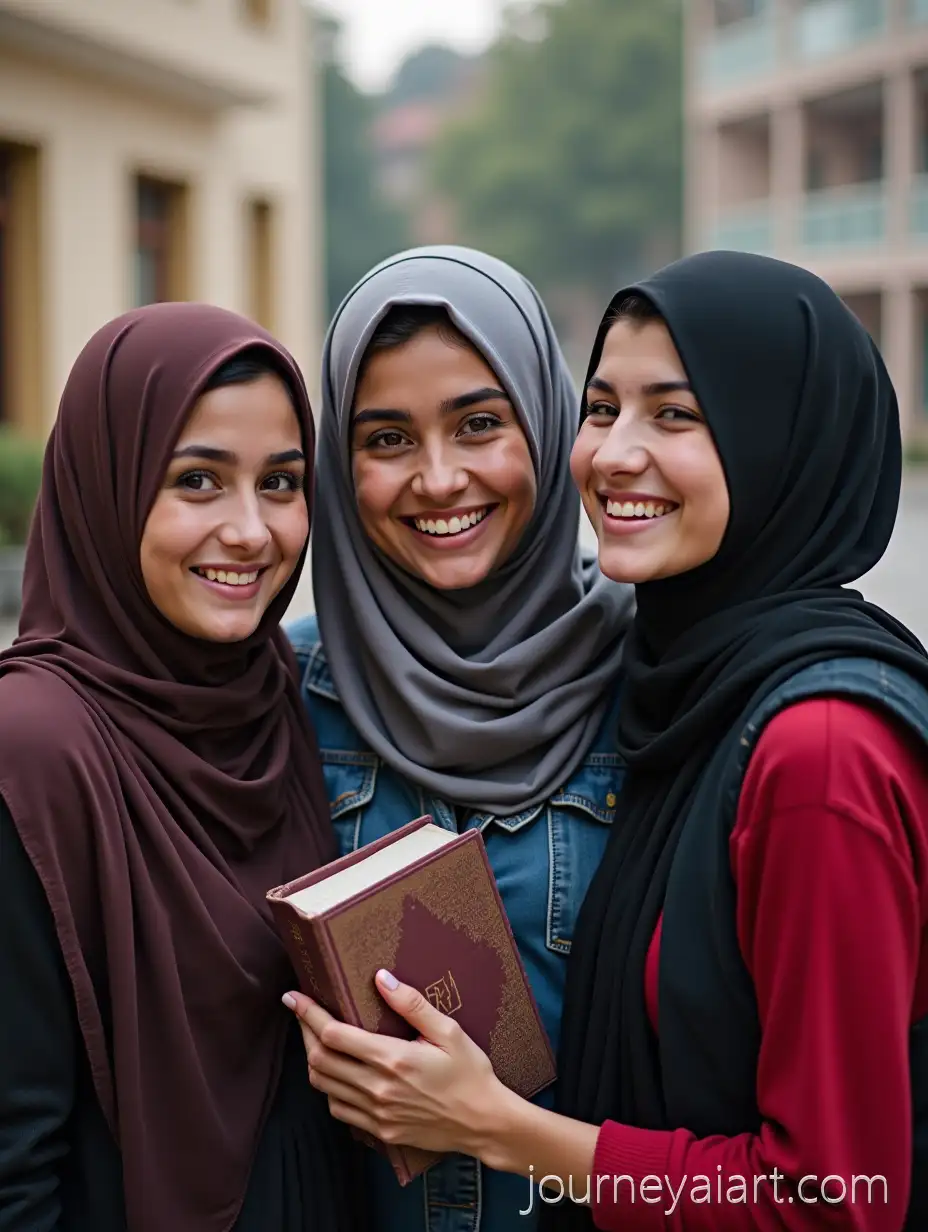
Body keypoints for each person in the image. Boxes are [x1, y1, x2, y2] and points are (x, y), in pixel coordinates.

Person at [285, 251, 928, 1231]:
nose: (617, 452)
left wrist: (498, 1127)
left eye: (676, 412)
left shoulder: (777, 735)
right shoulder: (278, 694)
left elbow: (834, 1199)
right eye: (604, 408)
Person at [285, 244, 634, 1230]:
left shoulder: (653, 685)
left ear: (546, 419)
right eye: (387, 437)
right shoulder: (277, 697)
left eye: (480, 424)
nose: (439, 479)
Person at [0, 303, 361, 1232]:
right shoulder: (34, 752)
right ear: (107, 486)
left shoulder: (281, 694)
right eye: (198, 480)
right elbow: (13, 1155)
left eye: (280, 483)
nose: (250, 531)